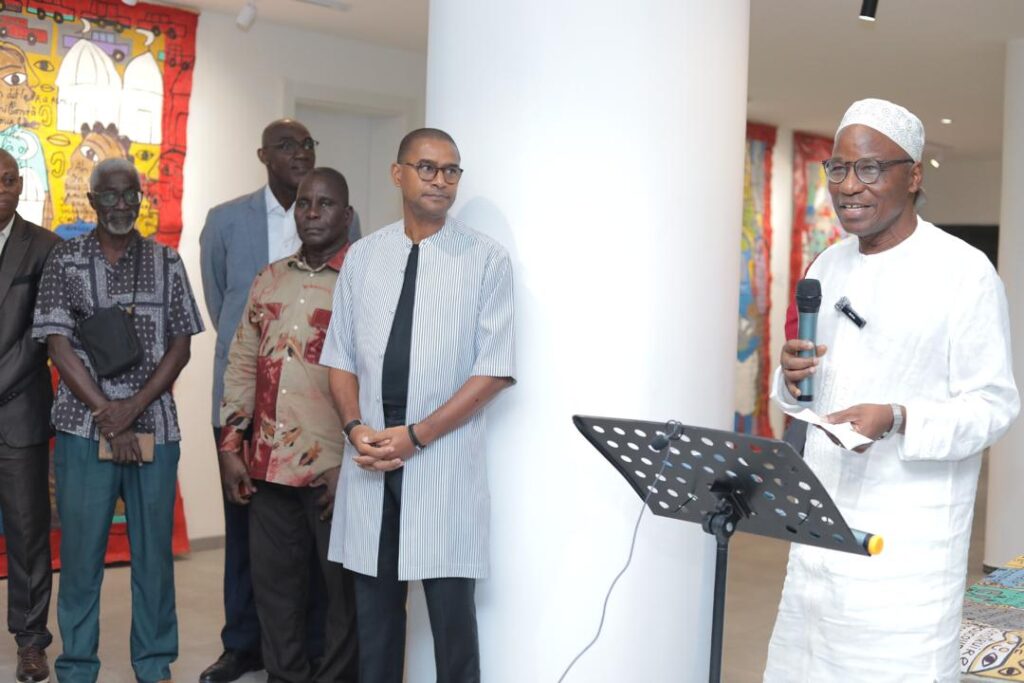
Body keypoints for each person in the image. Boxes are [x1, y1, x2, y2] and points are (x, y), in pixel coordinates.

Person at [765, 98, 1020, 682]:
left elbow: (994, 405)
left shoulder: (963, 272)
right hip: (820, 532)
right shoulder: (826, 267)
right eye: (838, 168)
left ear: (914, 176)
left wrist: (899, 417)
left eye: (871, 168)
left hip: (908, 549)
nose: (849, 186)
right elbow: (806, 397)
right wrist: (791, 378)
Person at [321, 128, 515, 683]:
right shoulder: (364, 257)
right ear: (398, 173)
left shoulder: (486, 259)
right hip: (370, 459)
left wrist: (416, 435)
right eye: (427, 167)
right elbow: (339, 358)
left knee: (454, 629)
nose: (440, 180)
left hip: (440, 462)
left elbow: (494, 370)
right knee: (376, 624)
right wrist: (355, 427)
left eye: (451, 170)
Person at [198, 119, 361, 683]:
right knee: (275, 593)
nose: (312, 213)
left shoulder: (365, 283)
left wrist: (353, 460)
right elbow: (241, 363)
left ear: (347, 215)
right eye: (305, 204)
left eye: (326, 204)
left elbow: (377, 379)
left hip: (333, 467)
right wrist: (230, 447)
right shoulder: (268, 280)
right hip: (268, 466)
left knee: (340, 595)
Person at [32, 158, 204, 683]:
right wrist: (110, 416)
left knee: (153, 559)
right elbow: (58, 346)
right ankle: (77, 667)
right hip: (84, 430)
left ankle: (154, 665)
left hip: (155, 426)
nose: (121, 205)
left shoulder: (166, 261)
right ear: (92, 201)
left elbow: (181, 345)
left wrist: (133, 407)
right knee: (81, 558)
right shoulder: (65, 260)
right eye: (109, 195)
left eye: (131, 194)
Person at [0, 148, 59, 683]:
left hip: (18, 414)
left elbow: (42, 335)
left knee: (27, 535)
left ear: (21, 185)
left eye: (10, 179)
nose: (3, 188)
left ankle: (31, 642)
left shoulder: (44, 248)